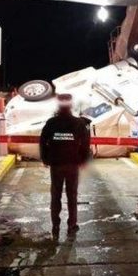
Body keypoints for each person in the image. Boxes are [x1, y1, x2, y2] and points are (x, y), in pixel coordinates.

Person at [40, 93, 91, 239]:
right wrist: (83, 160)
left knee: (55, 195)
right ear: (71, 105)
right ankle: (72, 225)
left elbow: (43, 141)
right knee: (72, 196)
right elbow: (85, 144)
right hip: (72, 164)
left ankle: (55, 225)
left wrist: (46, 158)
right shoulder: (79, 123)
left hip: (56, 164)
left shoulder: (51, 123)